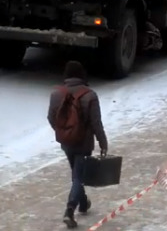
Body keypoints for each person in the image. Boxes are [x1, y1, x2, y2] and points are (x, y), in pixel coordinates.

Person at [48, 61, 108, 229]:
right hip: (83, 143)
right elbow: (96, 123)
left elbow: (51, 117)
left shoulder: (56, 94)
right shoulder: (90, 95)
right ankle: (69, 210)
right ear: (83, 75)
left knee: (77, 173)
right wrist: (102, 142)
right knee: (78, 177)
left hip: (66, 142)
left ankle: (83, 203)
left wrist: (62, 131)